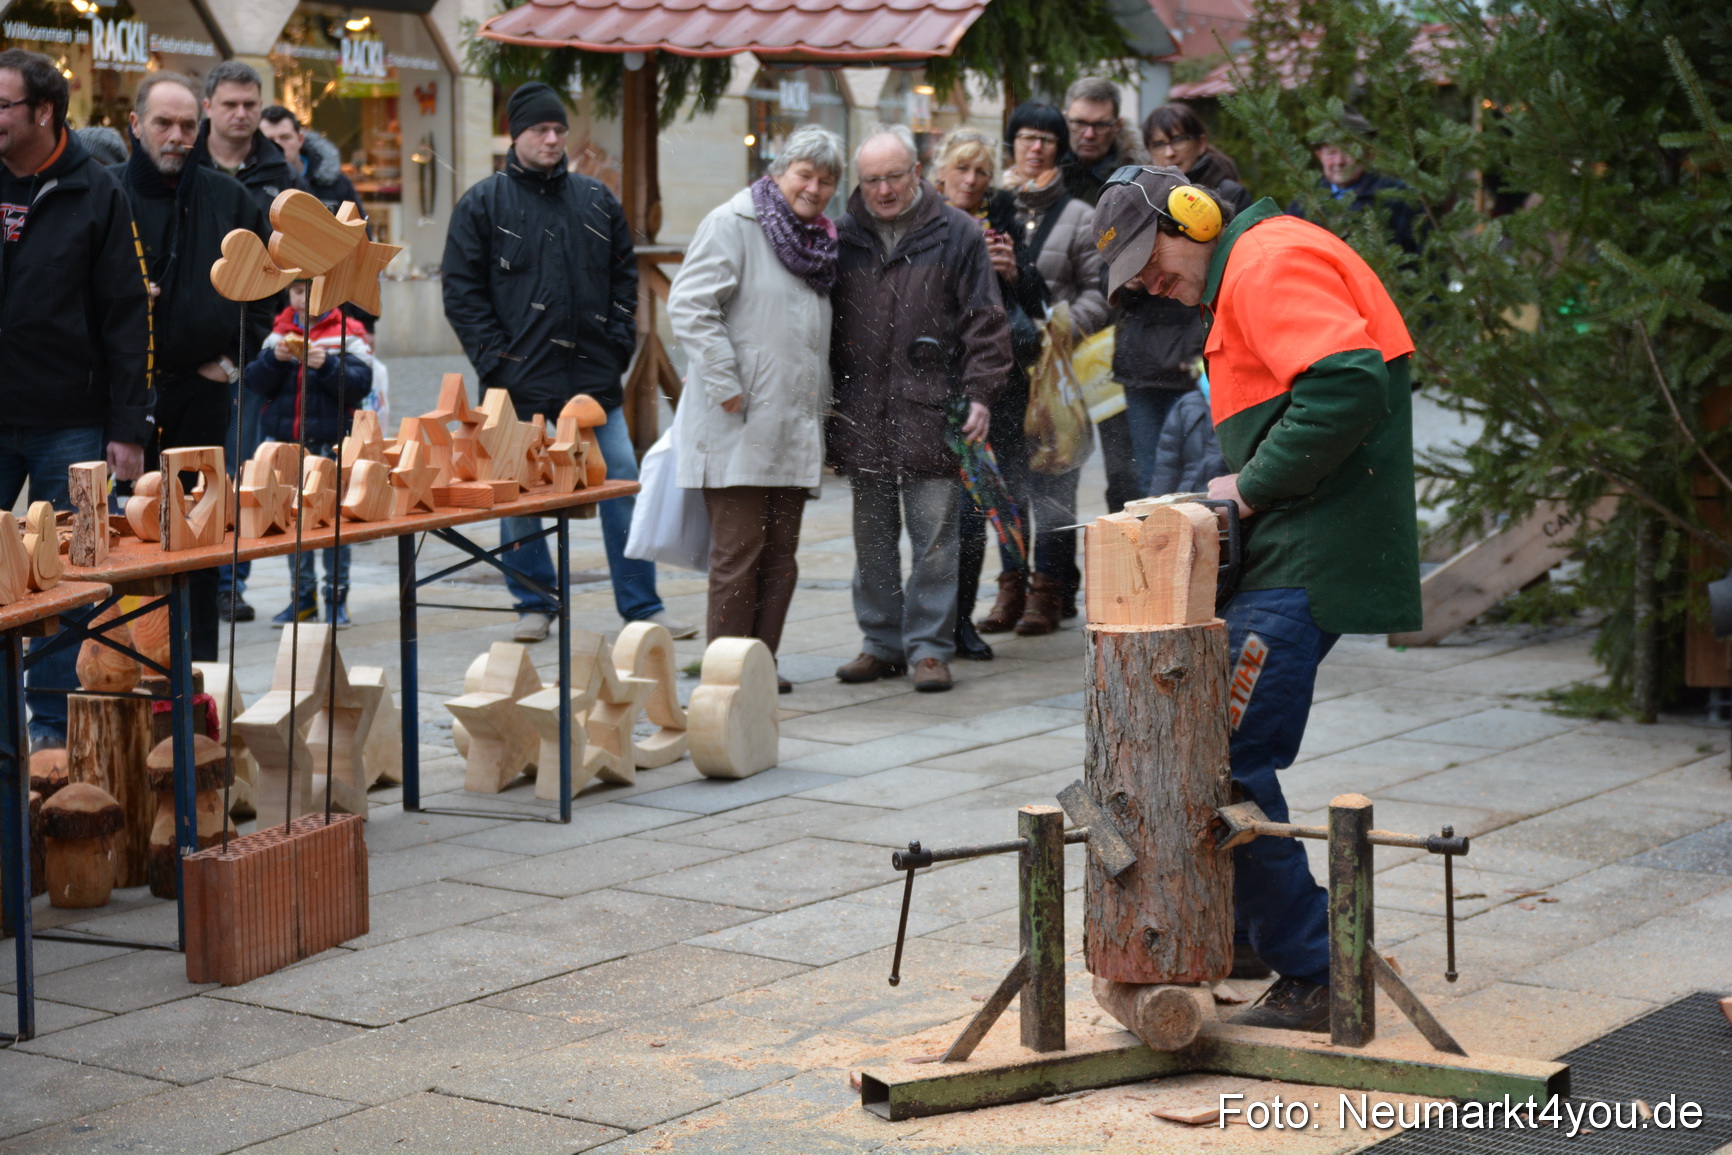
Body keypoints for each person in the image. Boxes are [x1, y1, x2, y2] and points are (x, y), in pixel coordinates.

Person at [1095, 165, 1421, 1029]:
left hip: (1306, 552)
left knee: (1221, 756)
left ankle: (1320, 969)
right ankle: (1244, 928)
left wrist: (1249, 486)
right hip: (1293, 544)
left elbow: (1349, 384)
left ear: (1193, 216)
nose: (1152, 282)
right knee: (1218, 747)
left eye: (1152, 259)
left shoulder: (1268, 259)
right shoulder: (1250, 264)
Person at [443, 82, 694, 643]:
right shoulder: (483, 203)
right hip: (515, 384)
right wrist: (497, 360)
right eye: (541, 130)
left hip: (593, 380)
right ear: (517, 134)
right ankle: (533, 602)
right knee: (519, 495)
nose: (553, 138)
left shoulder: (595, 200)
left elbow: (625, 280)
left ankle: (642, 605)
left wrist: (616, 347)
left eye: (559, 129)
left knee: (622, 481)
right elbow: (462, 292)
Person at [0, 49, 150, 751]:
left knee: (65, 579)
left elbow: (126, 313)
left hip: (71, 420)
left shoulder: (97, 192)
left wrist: (126, 424)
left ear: (43, 112)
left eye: (2, 105)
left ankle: (54, 731)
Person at [828, 124, 1012, 693]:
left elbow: (987, 320)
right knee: (872, 539)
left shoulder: (955, 232)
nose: (883, 190)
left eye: (894, 177)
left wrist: (981, 394)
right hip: (863, 412)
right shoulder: (843, 236)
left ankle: (930, 649)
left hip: (934, 412)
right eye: (872, 180)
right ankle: (881, 644)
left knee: (936, 542)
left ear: (916, 173)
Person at [667, 125, 846, 693]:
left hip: (792, 423)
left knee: (781, 555)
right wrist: (725, 382)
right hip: (739, 419)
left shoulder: (818, 241)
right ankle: (723, 682)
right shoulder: (734, 222)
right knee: (739, 555)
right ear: (779, 171)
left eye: (826, 180)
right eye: (804, 175)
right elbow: (691, 304)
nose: (814, 188)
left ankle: (760, 667)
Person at [118, 71, 273, 660]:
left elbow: (265, 297)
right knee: (123, 540)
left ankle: (200, 679)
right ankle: (126, 668)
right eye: (164, 123)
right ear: (136, 125)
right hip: (123, 401)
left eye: (187, 124)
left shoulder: (231, 199)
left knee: (201, 540)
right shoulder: (107, 194)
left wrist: (232, 366)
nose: (177, 135)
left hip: (203, 395)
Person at [931, 128, 1048, 660]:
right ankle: (930, 622)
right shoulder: (923, 226)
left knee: (982, 505)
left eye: (981, 171)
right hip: (938, 387)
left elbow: (1036, 301)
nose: (973, 180)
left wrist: (1012, 272)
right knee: (936, 513)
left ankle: (962, 621)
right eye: (962, 169)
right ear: (940, 174)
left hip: (996, 388)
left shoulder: (1000, 226)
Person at [1000, 102, 1106, 637]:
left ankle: (1050, 589)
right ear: (1012, 144)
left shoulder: (1081, 218)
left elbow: (1100, 292)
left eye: (1046, 139)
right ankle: (1011, 586)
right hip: (1003, 374)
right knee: (1008, 486)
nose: (1035, 147)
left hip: (1059, 376)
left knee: (1055, 484)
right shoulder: (995, 209)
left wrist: (1057, 330)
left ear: (1059, 149)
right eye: (1026, 138)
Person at [197, 62, 294, 623]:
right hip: (185, 346)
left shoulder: (279, 175)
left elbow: (286, 268)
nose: (241, 114)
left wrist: (241, 354)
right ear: (208, 105)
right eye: (230, 103)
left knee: (238, 464)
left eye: (250, 105)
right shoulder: (184, 167)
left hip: (248, 348)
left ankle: (231, 581)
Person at [1116, 104, 1251, 495]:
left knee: (1204, 470)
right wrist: (1133, 280)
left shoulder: (1225, 196)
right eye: (1158, 144)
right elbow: (1105, 284)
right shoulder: (1136, 198)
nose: (1170, 152)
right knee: (1152, 476)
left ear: (1201, 142)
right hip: (1142, 360)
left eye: (1178, 139)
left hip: (1193, 354)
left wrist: (1197, 351)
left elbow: (1222, 281)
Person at [245, 281, 372, 626]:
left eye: (314, 290)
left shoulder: (347, 333)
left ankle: (336, 599)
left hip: (330, 444)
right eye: (298, 291)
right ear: (288, 295)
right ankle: (301, 599)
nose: (305, 299)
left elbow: (362, 384)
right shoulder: (278, 334)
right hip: (288, 445)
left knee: (332, 526)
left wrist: (327, 366)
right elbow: (254, 383)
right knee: (293, 524)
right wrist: (274, 359)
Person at [1060, 76, 1145, 517]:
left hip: (1116, 344)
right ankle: (1052, 581)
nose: (1088, 133)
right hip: (1055, 339)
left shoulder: (1139, 179)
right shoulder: (1045, 170)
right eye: (1079, 123)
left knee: (1124, 470)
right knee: (1054, 466)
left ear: (1116, 125)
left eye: (1099, 124)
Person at [1285, 107, 1420, 257]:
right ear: (1319, 156)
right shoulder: (1303, 205)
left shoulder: (1398, 197)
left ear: (1370, 153)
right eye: (1331, 152)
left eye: (1348, 151)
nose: (1339, 161)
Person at [260, 105, 361, 216]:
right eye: (269, 140)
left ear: (300, 140)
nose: (277, 145)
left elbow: (360, 230)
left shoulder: (338, 185)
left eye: (285, 137)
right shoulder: (251, 187)